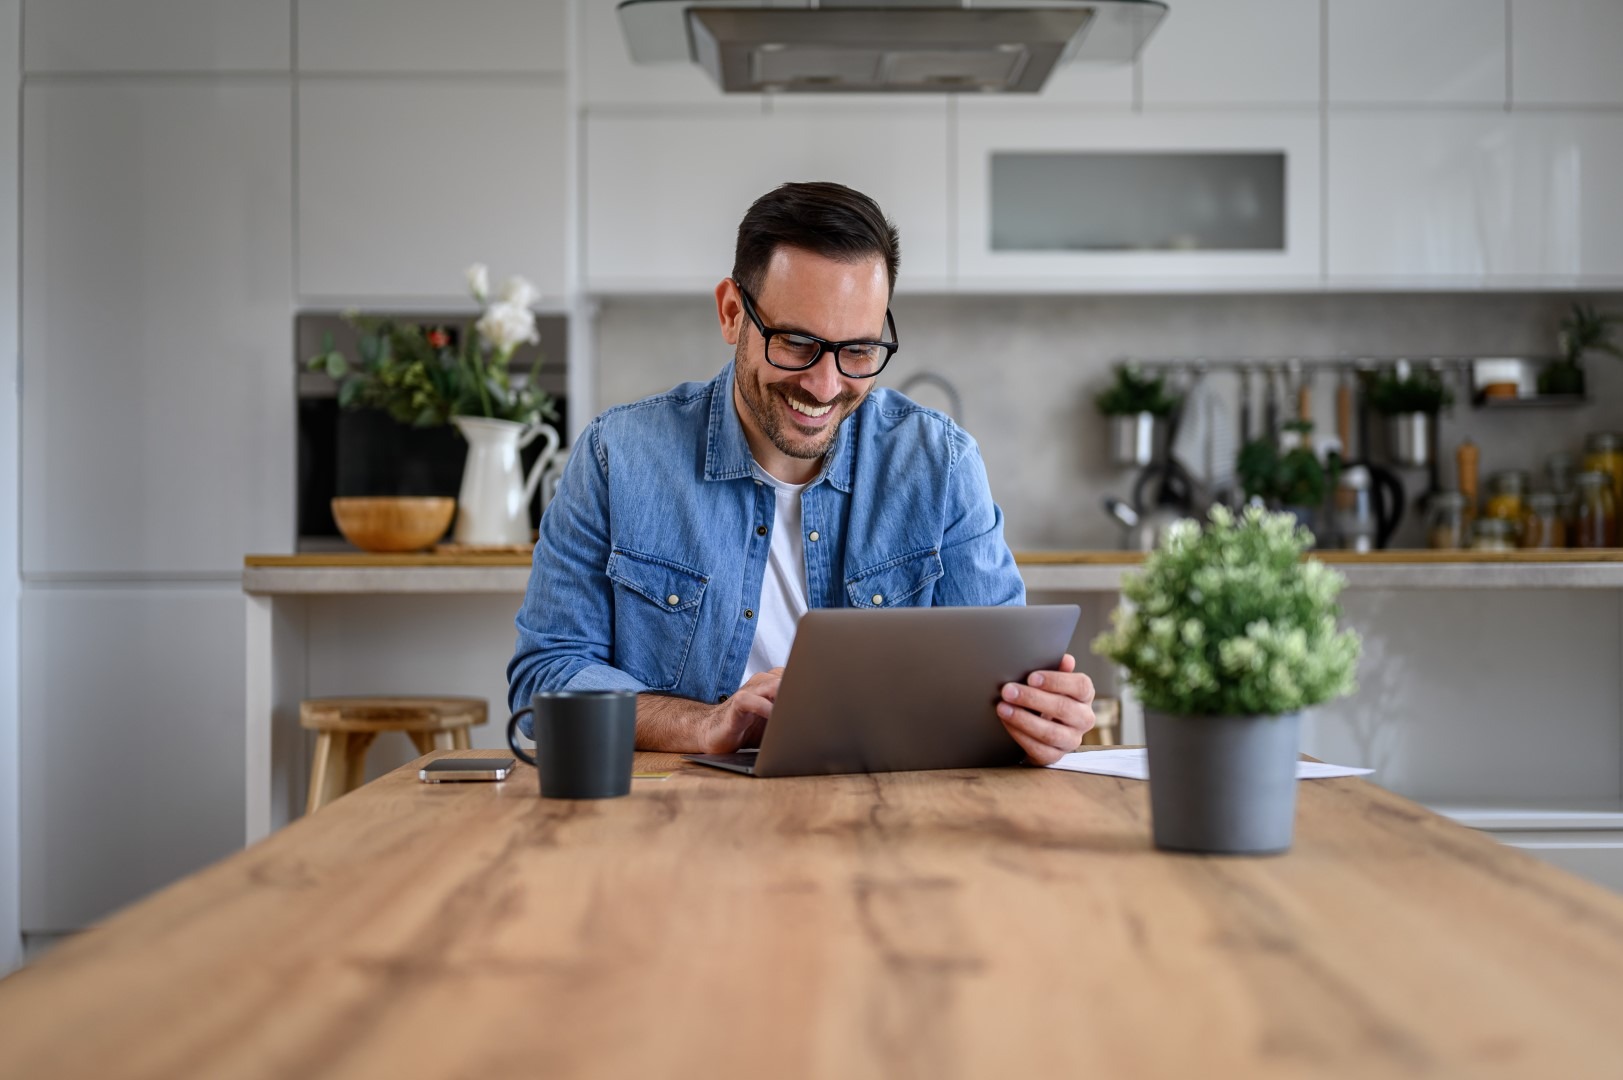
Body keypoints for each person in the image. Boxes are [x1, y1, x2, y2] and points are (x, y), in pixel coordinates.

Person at [507, 181, 1094, 764]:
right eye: (796, 343)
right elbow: (543, 681)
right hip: (676, 822)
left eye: (859, 350)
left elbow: (1001, 682)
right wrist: (704, 723)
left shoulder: (939, 464)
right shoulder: (618, 457)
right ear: (732, 313)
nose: (826, 385)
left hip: (891, 819)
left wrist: (1041, 719)